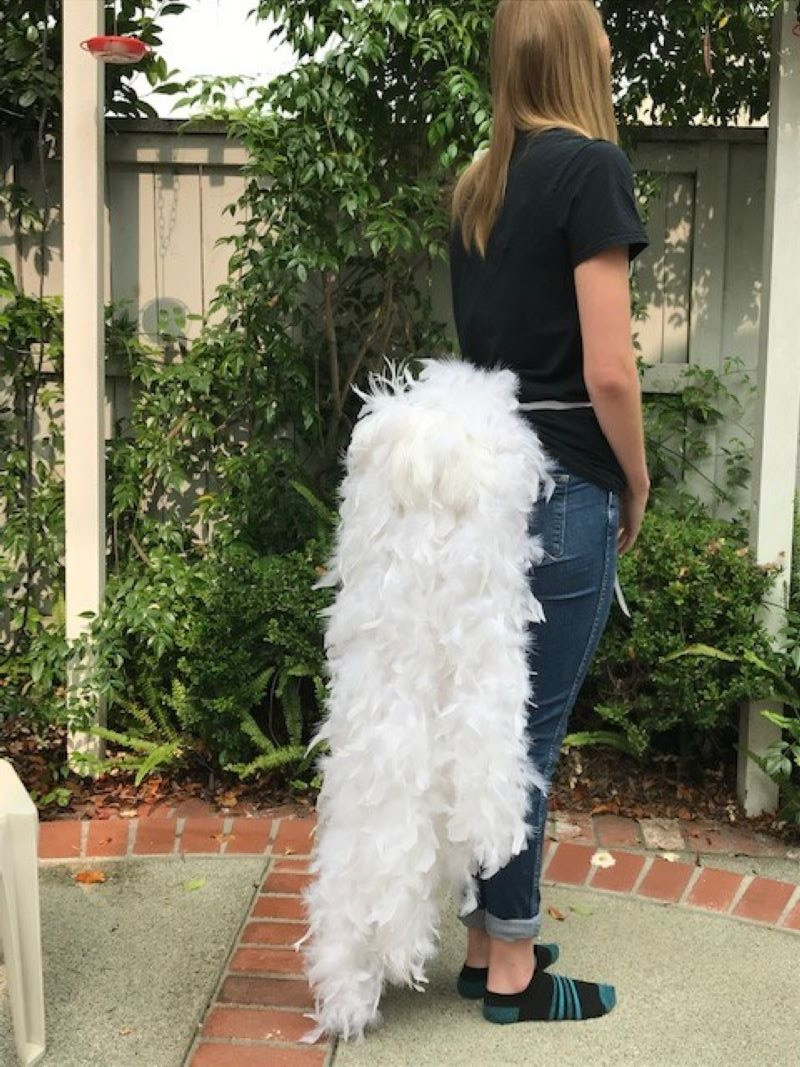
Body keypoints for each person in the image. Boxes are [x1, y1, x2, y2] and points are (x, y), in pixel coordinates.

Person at [447, 0, 651, 1025]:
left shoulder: (476, 185)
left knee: (485, 717)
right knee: (527, 732)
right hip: (562, 480)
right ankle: (515, 975)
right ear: (573, 50)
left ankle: (485, 936)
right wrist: (637, 477)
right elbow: (608, 369)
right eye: (601, 25)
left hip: (480, 481)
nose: (611, 40)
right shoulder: (590, 168)